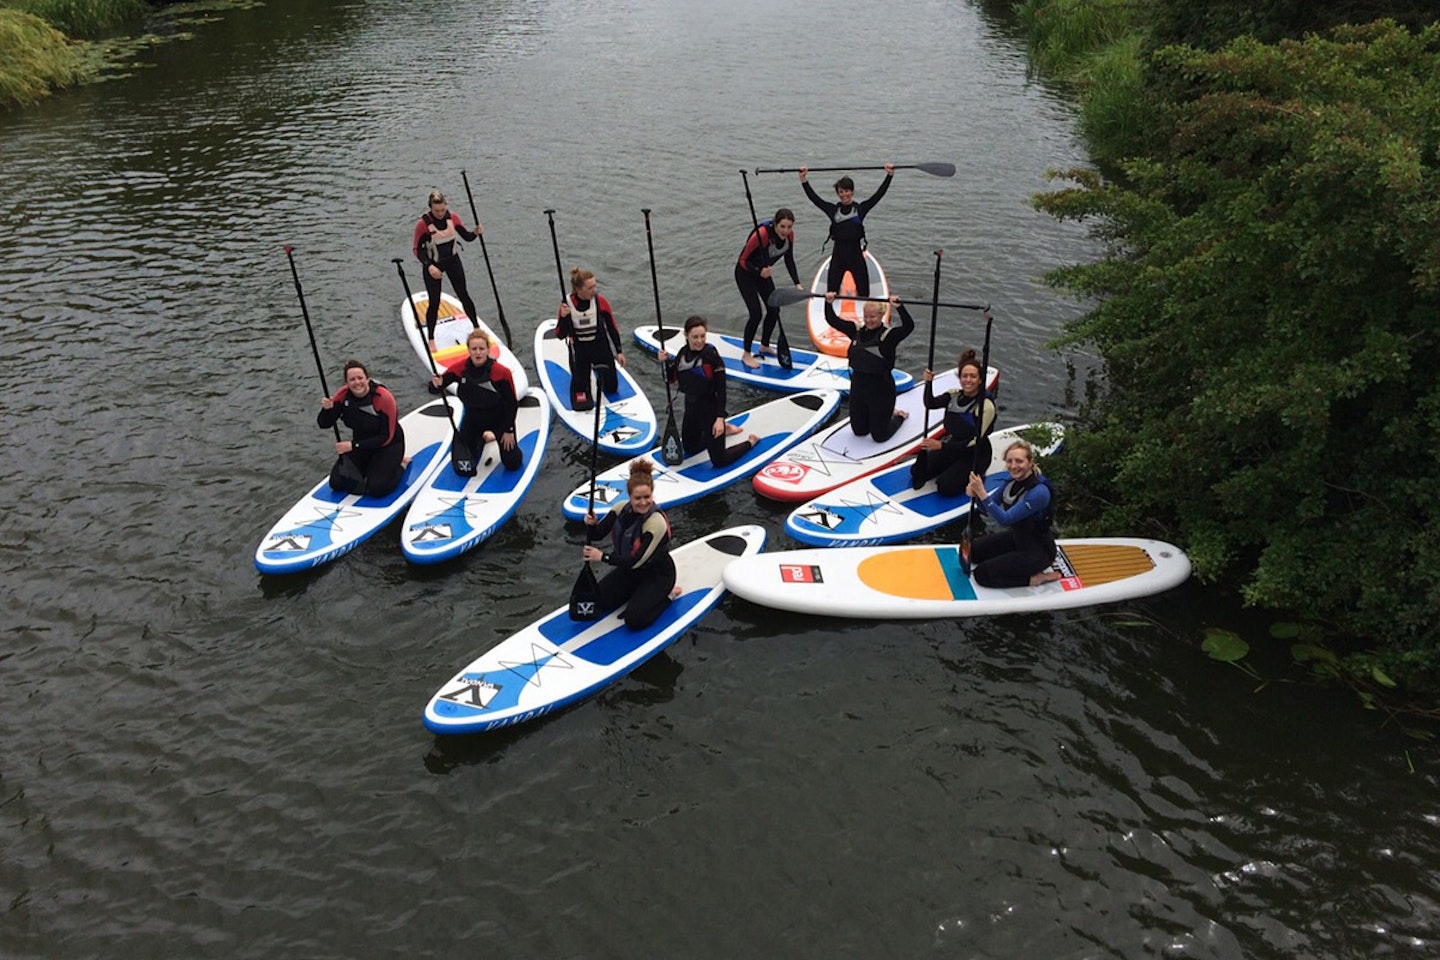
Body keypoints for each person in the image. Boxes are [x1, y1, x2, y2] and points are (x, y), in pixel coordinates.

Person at [582, 460, 683, 629]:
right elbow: (597, 534)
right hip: (630, 572)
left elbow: (636, 560)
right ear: (629, 496)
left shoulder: (656, 523)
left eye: (647, 497)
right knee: (599, 600)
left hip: (658, 576)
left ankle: (669, 596)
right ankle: (636, 593)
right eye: (638, 498)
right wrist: (590, 524)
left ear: (652, 494)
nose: (643, 502)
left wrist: (602, 557)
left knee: (633, 620)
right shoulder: (620, 508)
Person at [657, 316, 761, 467]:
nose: (699, 341)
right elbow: (671, 379)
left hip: (710, 411)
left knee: (720, 461)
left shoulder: (711, 355)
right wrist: (664, 362)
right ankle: (724, 431)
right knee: (690, 448)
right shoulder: (682, 353)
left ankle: (750, 442)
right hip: (691, 409)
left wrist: (720, 418)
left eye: (702, 336)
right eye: (695, 337)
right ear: (686, 335)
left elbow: (721, 389)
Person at [964, 439, 1061, 588]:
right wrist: (976, 495)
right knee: (973, 552)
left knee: (982, 574)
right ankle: (1011, 562)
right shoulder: (1011, 481)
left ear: (1030, 462)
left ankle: (1036, 579)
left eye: (1019, 461)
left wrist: (982, 493)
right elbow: (986, 508)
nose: (1013, 466)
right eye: (1009, 461)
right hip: (1017, 539)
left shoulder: (1039, 492)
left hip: (1038, 551)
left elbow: (1005, 520)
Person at [824, 292, 914, 442]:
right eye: (866, 316)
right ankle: (883, 415)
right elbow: (832, 320)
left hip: (881, 389)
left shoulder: (889, 336)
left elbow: (909, 326)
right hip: (859, 386)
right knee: (859, 432)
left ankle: (898, 416)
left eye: (873, 317)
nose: (868, 320)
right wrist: (828, 302)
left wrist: (899, 307)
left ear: (881, 316)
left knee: (879, 436)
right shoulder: (856, 330)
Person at [429, 328, 522, 471]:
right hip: (473, 420)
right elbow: (436, 388)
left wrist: (509, 429)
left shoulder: (501, 372)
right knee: (464, 464)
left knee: (513, 463)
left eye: (481, 348)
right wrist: (435, 384)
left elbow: (512, 403)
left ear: (487, 350)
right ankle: (483, 438)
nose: (477, 352)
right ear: (469, 350)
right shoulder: (460, 368)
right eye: (474, 349)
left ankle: (492, 436)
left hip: (500, 420)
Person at [800, 162, 894, 299]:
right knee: (831, 293)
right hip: (838, 256)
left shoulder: (860, 209)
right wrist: (803, 179)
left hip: (856, 256)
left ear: (852, 191)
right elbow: (815, 199)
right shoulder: (833, 210)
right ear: (838, 194)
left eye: (847, 191)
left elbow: (878, 195)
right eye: (841, 192)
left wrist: (889, 175)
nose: (844, 194)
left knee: (864, 294)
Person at [910, 347, 995, 496]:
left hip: (975, 454)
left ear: (980, 379)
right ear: (960, 378)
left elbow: (974, 440)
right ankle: (951, 467)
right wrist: (928, 383)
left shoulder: (985, 406)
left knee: (945, 487)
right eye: (964, 376)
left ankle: (969, 473)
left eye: (973, 376)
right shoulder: (953, 395)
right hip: (953, 447)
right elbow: (930, 403)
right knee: (916, 471)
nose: (968, 380)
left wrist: (941, 445)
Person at [317, 360, 406, 497]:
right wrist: (327, 410)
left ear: (367, 379)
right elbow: (324, 424)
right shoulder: (342, 395)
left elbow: (386, 437)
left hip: (389, 445)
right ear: (347, 383)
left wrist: (353, 445)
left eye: (360, 378)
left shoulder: (383, 397)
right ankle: (370, 467)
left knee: (377, 488)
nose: (357, 382)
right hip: (362, 446)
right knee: (336, 482)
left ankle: (400, 465)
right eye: (352, 379)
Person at [412, 189, 482, 354]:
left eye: (443, 210)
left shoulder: (453, 217)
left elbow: (466, 236)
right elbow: (417, 249)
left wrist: (476, 233)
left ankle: (477, 328)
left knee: (464, 294)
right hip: (433, 265)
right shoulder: (423, 224)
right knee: (434, 302)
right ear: (430, 208)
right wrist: (429, 266)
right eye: (436, 211)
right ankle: (431, 339)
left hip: (452, 261)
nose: (440, 214)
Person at [735, 207, 803, 369]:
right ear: (775, 224)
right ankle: (746, 354)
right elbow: (743, 260)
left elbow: (789, 260)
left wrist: (797, 283)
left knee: (774, 310)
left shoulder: (790, 237)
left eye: (789, 227)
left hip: (763, 275)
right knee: (756, 314)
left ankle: (764, 345)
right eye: (782, 227)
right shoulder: (763, 235)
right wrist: (759, 271)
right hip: (746, 274)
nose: (786, 231)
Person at [555, 266, 625, 411]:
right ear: (579, 290)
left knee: (612, 388)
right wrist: (563, 318)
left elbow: (612, 327)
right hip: (580, 350)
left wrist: (619, 351)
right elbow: (560, 334)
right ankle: (583, 388)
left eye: (595, 286)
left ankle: (603, 378)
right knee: (582, 401)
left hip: (600, 346)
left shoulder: (601, 302)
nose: (594, 290)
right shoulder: (567, 305)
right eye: (590, 287)